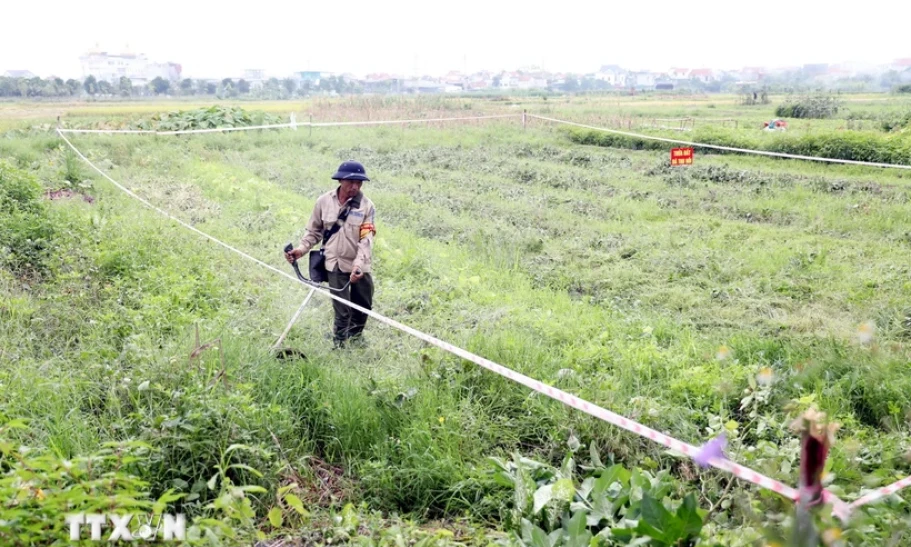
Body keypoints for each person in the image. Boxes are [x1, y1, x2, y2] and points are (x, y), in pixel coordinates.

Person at [285, 160, 377, 347]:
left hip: (359, 263)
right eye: (351, 182)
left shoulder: (367, 206)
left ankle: (356, 337)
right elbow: (314, 231)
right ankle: (340, 342)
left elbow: (366, 240)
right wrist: (301, 249)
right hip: (334, 263)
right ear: (340, 180)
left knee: (363, 304)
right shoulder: (323, 202)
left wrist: (358, 265)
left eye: (359, 182)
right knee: (342, 308)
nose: (355, 186)